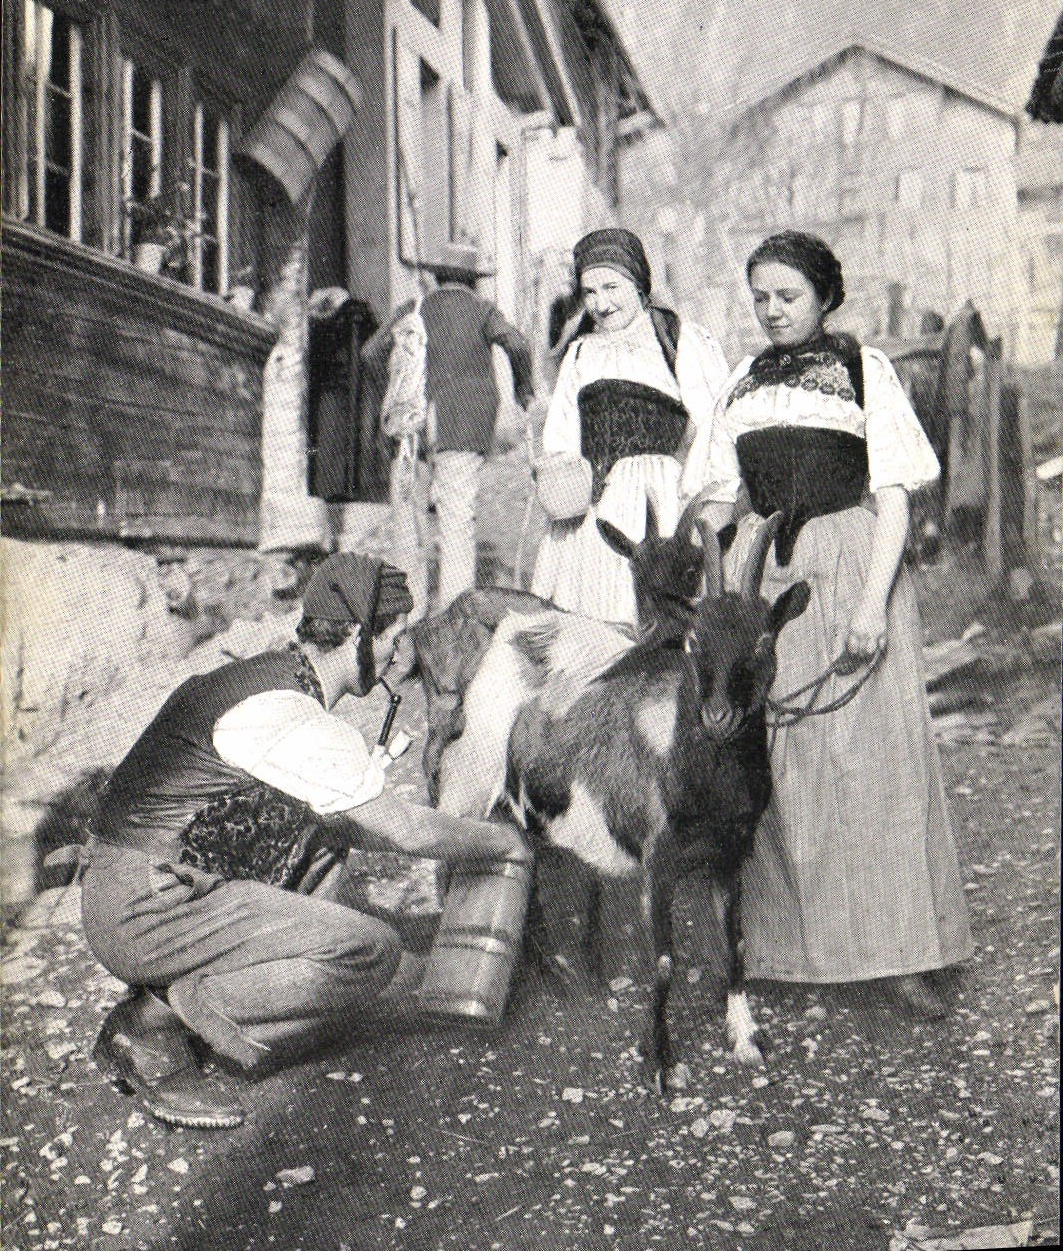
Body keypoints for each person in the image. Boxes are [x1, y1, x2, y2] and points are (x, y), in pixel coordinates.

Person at [81, 552, 530, 1129]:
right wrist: (503, 842)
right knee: (370, 951)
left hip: (136, 885)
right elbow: (410, 831)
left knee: (325, 835)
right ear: (360, 637)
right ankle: (158, 1022)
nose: (400, 655)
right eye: (394, 636)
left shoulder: (265, 676)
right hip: (145, 906)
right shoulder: (291, 715)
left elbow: (354, 823)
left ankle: (187, 992)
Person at [681, 231, 973, 1015]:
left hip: (848, 569)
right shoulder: (741, 382)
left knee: (870, 762)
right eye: (760, 298)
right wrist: (699, 556)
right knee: (774, 760)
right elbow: (719, 494)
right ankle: (782, 951)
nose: (772, 311)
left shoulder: (860, 372)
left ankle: (896, 954)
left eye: (788, 296)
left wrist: (872, 603)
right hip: (763, 581)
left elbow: (894, 498)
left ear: (822, 297)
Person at [531, 227, 730, 628]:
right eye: (590, 293)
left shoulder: (678, 340)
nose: (601, 304)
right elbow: (561, 434)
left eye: (611, 287)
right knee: (590, 627)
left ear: (638, 284)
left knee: (657, 622)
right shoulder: (581, 353)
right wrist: (558, 472)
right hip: (591, 515)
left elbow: (715, 427)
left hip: (660, 505)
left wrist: (705, 503)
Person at [363, 244, 534, 618]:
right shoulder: (481, 310)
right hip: (464, 425)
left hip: (414, 427)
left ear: (436, 276)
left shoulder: (415, 309)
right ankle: (454, 615)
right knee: (457, 521)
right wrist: (524, 390)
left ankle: (411, 613)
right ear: (474, 281)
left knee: (410, 522)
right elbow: (517, 343)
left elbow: (371, 353)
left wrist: (391, 392)